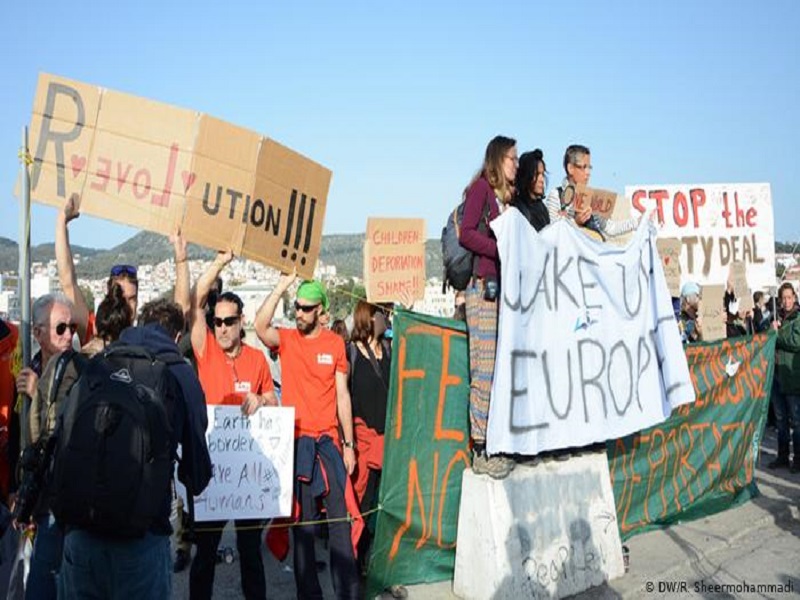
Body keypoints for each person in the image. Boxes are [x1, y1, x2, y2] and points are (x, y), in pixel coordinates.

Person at [58, 298, 212, 599]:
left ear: (138, 325)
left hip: (81, 536)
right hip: (141, 540)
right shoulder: (180, 374)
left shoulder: (100, 363)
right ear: (177, 337)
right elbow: (197, 473)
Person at [254, 275, 360, 600]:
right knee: (303, 528)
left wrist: (349, 444)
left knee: (341, 525)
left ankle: (348, 594)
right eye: (297, 307)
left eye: (306, 308)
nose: (299, 313)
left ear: (322, 312)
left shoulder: (335, 344)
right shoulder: (286, 339)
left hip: (329, 443)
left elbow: (343, 396)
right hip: (297, 442)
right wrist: (283, 285)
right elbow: (259, 326)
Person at [188, 251, 277, 600]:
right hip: (212, 475)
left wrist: (261, 400)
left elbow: (273, 399)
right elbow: (196, 301)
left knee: (251, 553)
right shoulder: (204, 349)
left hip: (246, 477)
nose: (222, 327)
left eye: (229, 321)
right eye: (218, 321)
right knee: (205, 555)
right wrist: (220, 262)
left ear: (242, 322)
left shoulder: (256, 360)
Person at [458, 135, 517, 479]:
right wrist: (500, 249)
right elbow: (467, 233)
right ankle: (480, 448)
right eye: (512, 158)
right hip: (483, 289)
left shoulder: (504, 200)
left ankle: (492, 441)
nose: (516, 164)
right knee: (484, 367)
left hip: (498, 292)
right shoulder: (481, 189)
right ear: (498, 159)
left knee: (496, 369)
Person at [55, 193, 139, 343]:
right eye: (121, 296)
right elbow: (68, 283)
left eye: (132, 299)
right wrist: (62, 221)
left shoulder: (144, 342)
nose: (126, 305)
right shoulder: (93, 331)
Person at [346, 302, 392, 572]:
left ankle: (380, 559)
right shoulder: (351, 353)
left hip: (388, 441)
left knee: (384, 503)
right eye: (381, 314)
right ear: (369, 318)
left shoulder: (388, 349)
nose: (385, 319)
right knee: (364, 502)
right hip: (364, 443)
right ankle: (358, 558)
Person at [544, 145, 639, 239]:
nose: (588, 173)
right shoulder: (556, 196)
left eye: (589, 168)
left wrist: (638, 222)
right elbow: (553, 234)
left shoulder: (592, 199)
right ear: (570, 168)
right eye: (584, 167)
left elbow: (611, 228)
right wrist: (576, 222)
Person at [769, 282, 800, 472]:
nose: (787, 301)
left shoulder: (798, 319)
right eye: (784, 298)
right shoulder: (776, 317)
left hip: (792, 376)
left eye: (790, 297)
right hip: (777, 375)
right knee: (780, 419)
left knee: (796, 420)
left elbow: (796, 341)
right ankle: (782, 455)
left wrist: (777, 334)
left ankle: (798, 458)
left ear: (794, 298)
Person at [510, 149, 550, 232]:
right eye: (536, 174)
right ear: (526, 175)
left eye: (542, 174)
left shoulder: (542, 208)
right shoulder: (516, 207)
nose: (541, 180)